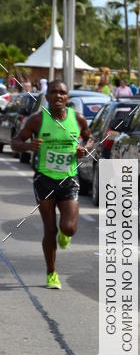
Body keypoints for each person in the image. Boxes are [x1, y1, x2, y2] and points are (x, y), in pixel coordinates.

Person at [11, 80, 91, 289]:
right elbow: (15, 142)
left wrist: (84, 148)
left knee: (69, 227)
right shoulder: (37, 120)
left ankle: (66, 235)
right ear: (47, 97)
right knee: (49, 229)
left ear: (67, 98)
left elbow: (91, 139)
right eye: (53, 92)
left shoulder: (78, 119)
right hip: (44, 179)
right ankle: (51, 273)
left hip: (69, 179)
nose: (58, 96)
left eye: (62, 93)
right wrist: (29, 145)